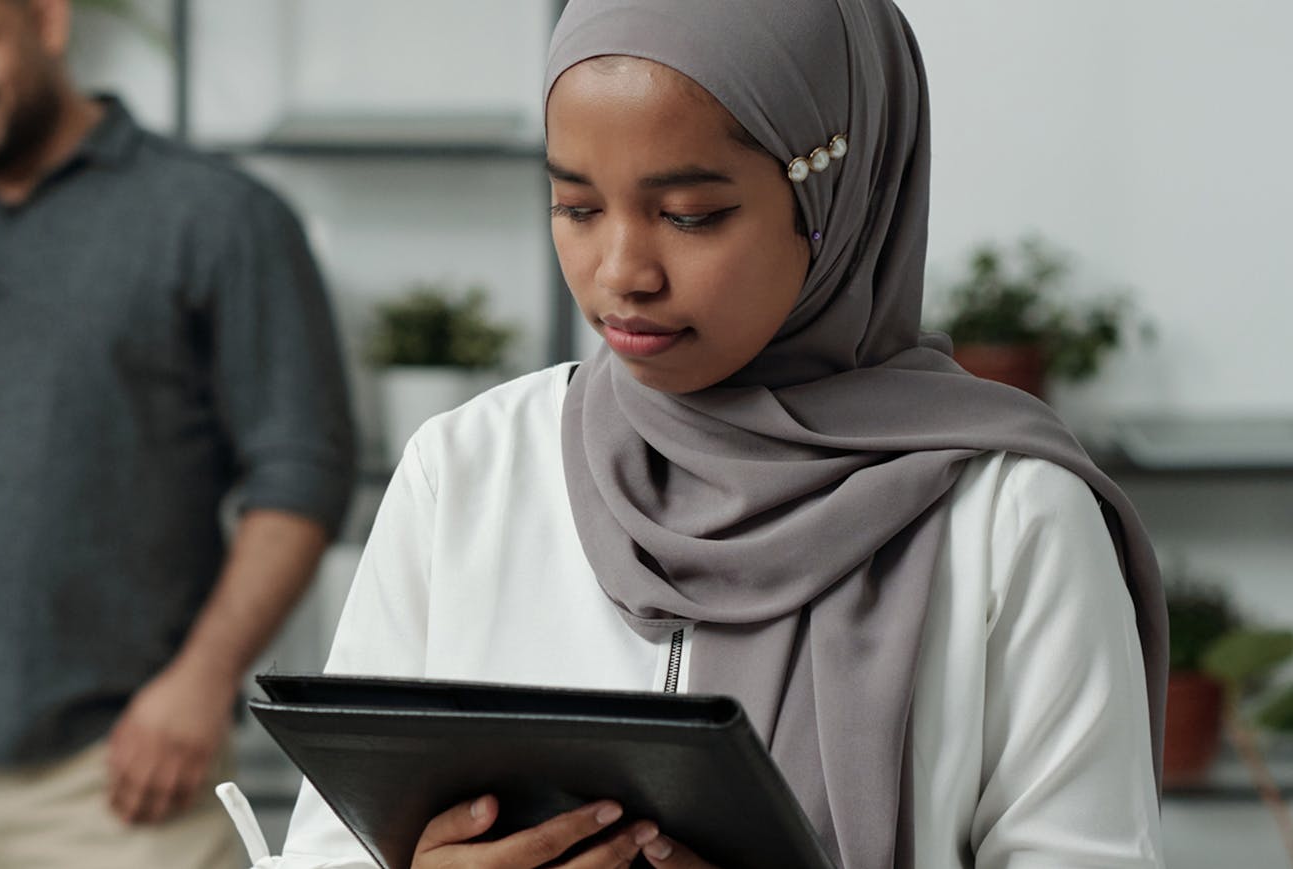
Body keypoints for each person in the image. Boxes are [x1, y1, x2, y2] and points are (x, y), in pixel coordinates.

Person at [249, 0, 1167, 867]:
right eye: (576, 206)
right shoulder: (469, 469)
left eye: (691, 215)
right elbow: (330, 848)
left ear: (837, 200)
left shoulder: (1011, 516)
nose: (621, 271)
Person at [0, 0, 358, 865]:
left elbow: (303, 473)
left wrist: (201, 683)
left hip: (121, 776)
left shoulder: (220, 218)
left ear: (48, 21)